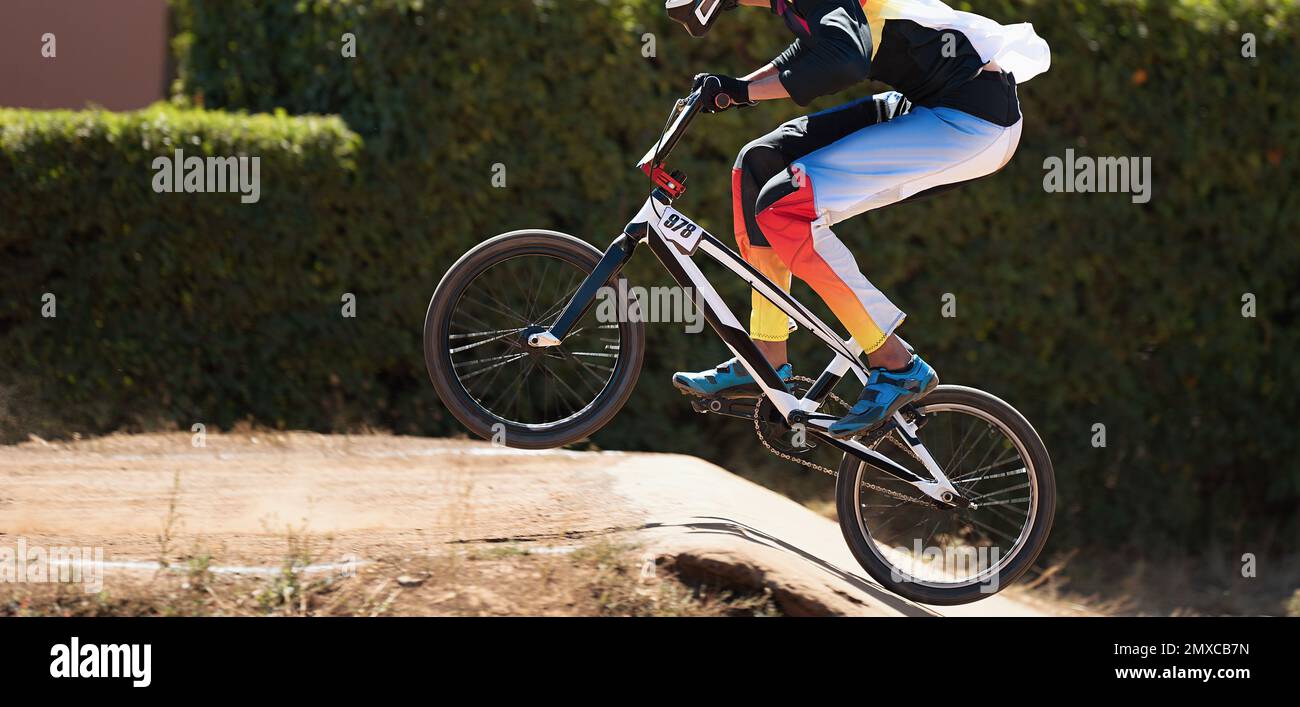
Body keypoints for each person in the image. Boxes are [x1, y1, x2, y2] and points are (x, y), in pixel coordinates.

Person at [665, 0, 1049, 438]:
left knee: (785, 206)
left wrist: (745, 91)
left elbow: (844, 60)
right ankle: (767, 355)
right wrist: (736, 88)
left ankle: (895, 362)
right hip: (924, 103)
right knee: (758, 163)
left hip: (973, 122)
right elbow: (814, 50)